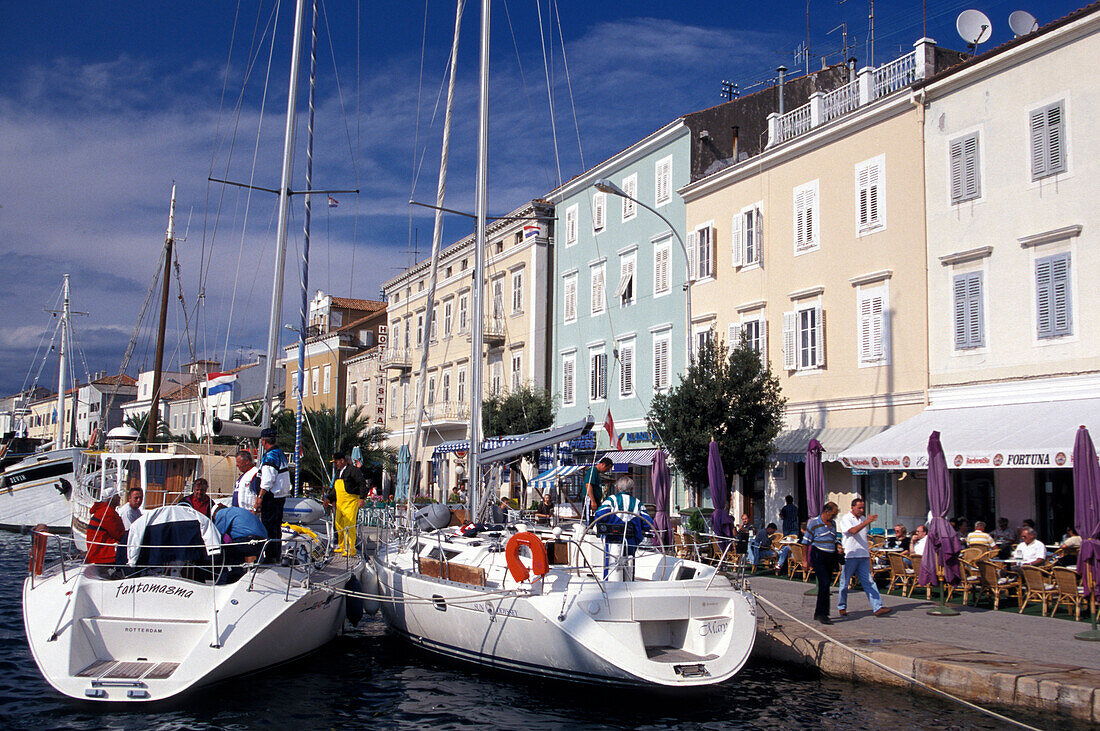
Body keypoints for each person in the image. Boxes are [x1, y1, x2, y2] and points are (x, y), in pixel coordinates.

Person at [836, 498, 890, 617]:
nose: (861, 510)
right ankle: (842, 606)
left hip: (863, 555)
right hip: (850, 554)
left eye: (862, 508)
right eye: (859, 508)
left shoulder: (863, 519)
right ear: (852, 507)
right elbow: (853, 531)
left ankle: (877, 607)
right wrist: (866, 522)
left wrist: (865, 521)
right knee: (845, 583)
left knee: (869, 581)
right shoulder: (846, 518)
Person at [801, 501, 842, 624]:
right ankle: (822, 614)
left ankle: (819, 612)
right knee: (823, 583)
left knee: (826, 584)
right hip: (818, 554)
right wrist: (804, 560)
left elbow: (833, 539)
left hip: (830, 555)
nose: (834, 517)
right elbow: (805, 542)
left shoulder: (833, 524)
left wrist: (838, 545)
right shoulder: (814, 523)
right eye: (833, 514)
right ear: (826, 511)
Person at [256, 428, 291, 563]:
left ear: (263, 441)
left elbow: (268, 480)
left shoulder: (270, 456)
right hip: (279, 497)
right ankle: (276, 554)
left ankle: (270, 556)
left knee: (269, 527)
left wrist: (260, 497)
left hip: (271, 498)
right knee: (276, 527)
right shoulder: (280, 453)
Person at [326, 451, 365, 556]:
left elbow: (362, 483)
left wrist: (362, 498)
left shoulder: (353, 470)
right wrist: (329, 499)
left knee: (349, 525)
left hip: (351, 502)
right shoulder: (338, 473)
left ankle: (350, 549)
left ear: (342, 461)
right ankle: (342, 546)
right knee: (338, 524)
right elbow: (334, 489)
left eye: (336, 462)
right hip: (340, 503)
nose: (335, 464)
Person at [85, 490, 125, 565]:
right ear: (111, 499)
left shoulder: (104, 510)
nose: (120, 498)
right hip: (101, 551)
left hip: (98, 549)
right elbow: (119, 534)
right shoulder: (108, 512)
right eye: (117, 496)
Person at [583, 457, 614, 522]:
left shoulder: (597, 473)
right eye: (607, 468)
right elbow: (588, 485)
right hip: (590, 499)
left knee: (597, 518)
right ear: (603, 464)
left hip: (596, 499)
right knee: (590, 519)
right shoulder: (592, 471)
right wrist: (593, 501)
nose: (606, 471)